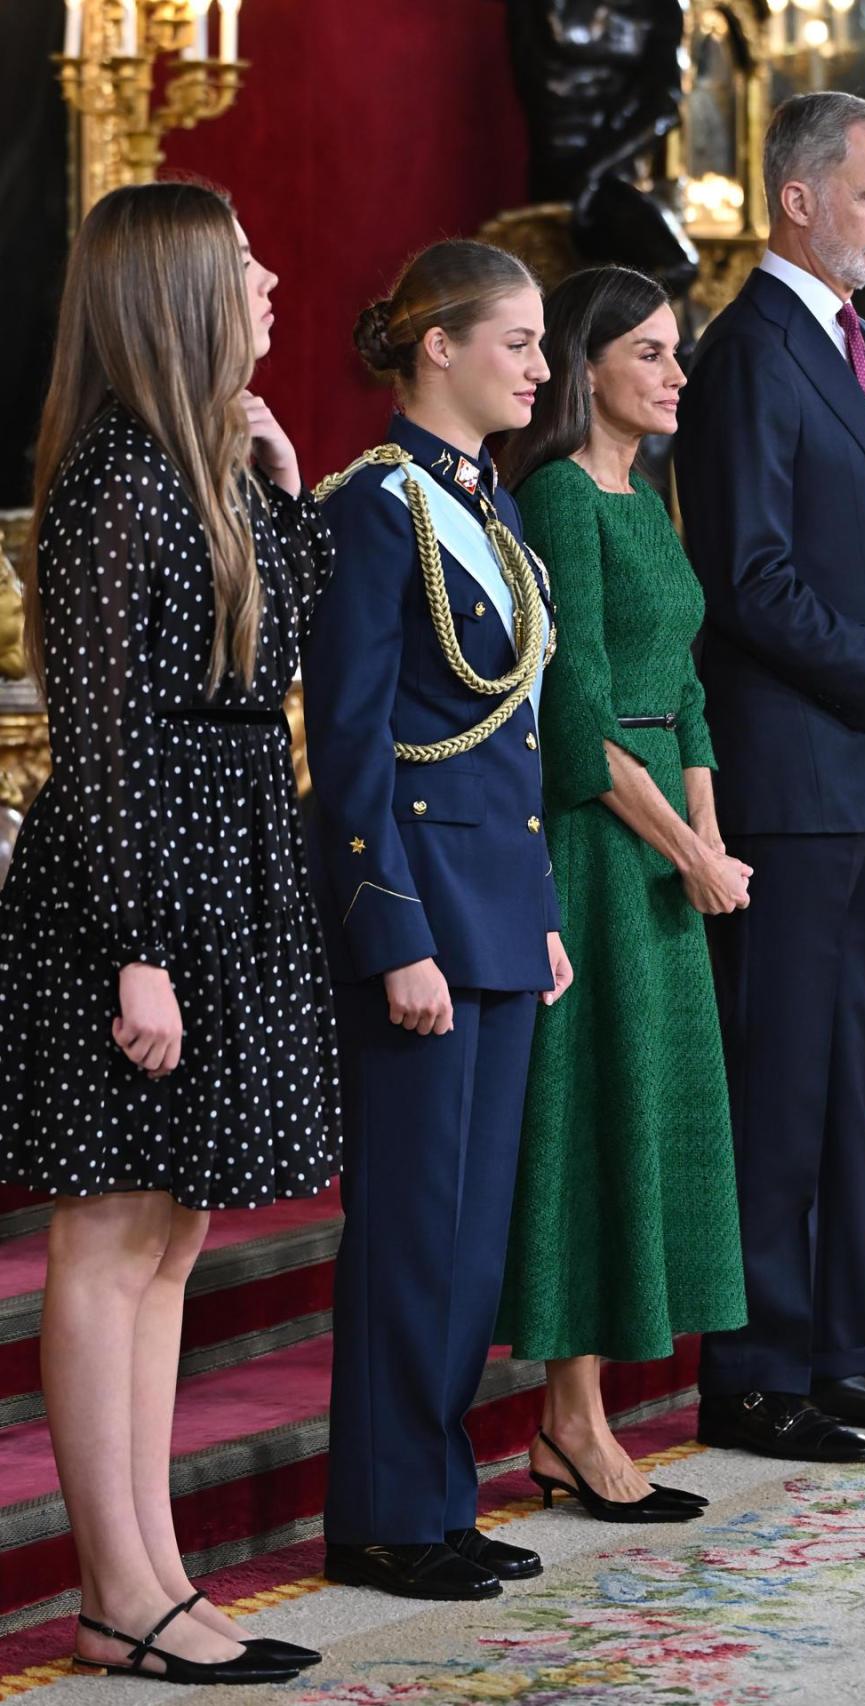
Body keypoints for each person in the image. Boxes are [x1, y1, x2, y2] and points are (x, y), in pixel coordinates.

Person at [0, 182, 339, 1681]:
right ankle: (115, 1584)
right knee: (112, 1232)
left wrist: (284, 480)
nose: (270, 278)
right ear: (181, 292)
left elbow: (298, 644)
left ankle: (155, 1572)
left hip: (229, 863)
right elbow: (104, 734)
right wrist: (137, 945)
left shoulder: (197, 466)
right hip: (134, 891)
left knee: (174, 1236)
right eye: (245, 262)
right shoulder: (110, 485)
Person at [674, 91, 865, 1460]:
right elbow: (752, 581)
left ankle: (845, 1351)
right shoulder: (747, 355)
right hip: (791, 780)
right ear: (798, 198)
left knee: (844, 1076)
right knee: (781, 1076)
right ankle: (754, 1373)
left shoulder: (864, 345)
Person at [302, 239, 572, 1601]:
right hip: (420, 911)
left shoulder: (495, 511)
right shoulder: (371, 508)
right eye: (516, 340)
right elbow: (347, 749)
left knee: (469, 1230)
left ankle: (436, 1491)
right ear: (437, 347)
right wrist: (389, 927)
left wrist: (538, 914)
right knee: (412, 1222)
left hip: (498, 908)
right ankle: (384, 1512)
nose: (539, 365)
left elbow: (506, 737)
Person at [495, 265, 749, 1520]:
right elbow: (582, 723)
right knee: (594, 1108)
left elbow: (685, 692)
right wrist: (683, 849)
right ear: (587, 367)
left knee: (649, 1110)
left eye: (675, 352)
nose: (674, 373)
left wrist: (707, 837)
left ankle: (580, 1416)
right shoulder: (554, 495)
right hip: (598, 850)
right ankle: (571, 1421)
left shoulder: (646, 497)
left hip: (664, 856)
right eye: (648, 352)